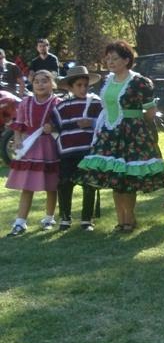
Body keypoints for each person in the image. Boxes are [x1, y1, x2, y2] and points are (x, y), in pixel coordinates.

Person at [77, 40, 164, 233]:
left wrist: (135, 122)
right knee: (115, 179)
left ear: (126, 60)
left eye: (115, 58)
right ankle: (121, 220)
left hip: (132, 135)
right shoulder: (107, 81)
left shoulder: (139, 82)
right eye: (108, 58)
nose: (110, 62)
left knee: (128, 179)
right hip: (109, 134)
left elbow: (150, 112)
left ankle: (129, 218)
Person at [5, 70, 61, 236]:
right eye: (37, 81)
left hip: (49, 146)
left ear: (52, 84)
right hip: (30, 147)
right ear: (32, 84)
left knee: (51, 185)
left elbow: (61, 123)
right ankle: (20, 222)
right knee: (27, 186)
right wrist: (17, 140)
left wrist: (53, 127)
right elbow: (19, 123)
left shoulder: (57, 102)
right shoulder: (26, 102)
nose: (40, 84)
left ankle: (49, 218)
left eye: (44, 81)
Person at [53, 66, 103, 232]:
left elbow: (105, 124)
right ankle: (65, 218)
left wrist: (92, 123)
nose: (83, 88)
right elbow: (56, 127)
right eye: (79, 85)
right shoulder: (61, 107)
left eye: (85, 85)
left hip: (89, 152)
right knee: (65, 184)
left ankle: (87, 220)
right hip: (67, 153)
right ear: (70, 87)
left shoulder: (96, 104)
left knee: (89, 185)